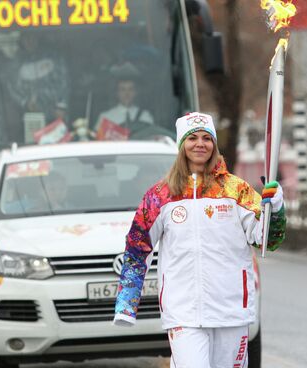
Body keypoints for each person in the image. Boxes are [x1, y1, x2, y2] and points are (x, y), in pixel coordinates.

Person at [113, 112, 286, 366]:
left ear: (214, 144)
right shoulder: (161, 195)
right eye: (192, 138)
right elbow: (138, 248)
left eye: (207, 138)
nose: (200, 143)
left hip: (232, 310)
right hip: (183, 312)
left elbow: (269, 240)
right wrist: (126, 303)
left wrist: (276, 208)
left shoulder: (236, 190)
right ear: (182, 145)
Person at [96, 63, 154, 135]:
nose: (127, 93)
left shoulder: (145, 117)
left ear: (136, 92)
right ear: (117, 93)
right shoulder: (105, 118)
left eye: (131, 89)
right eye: (123, 89)